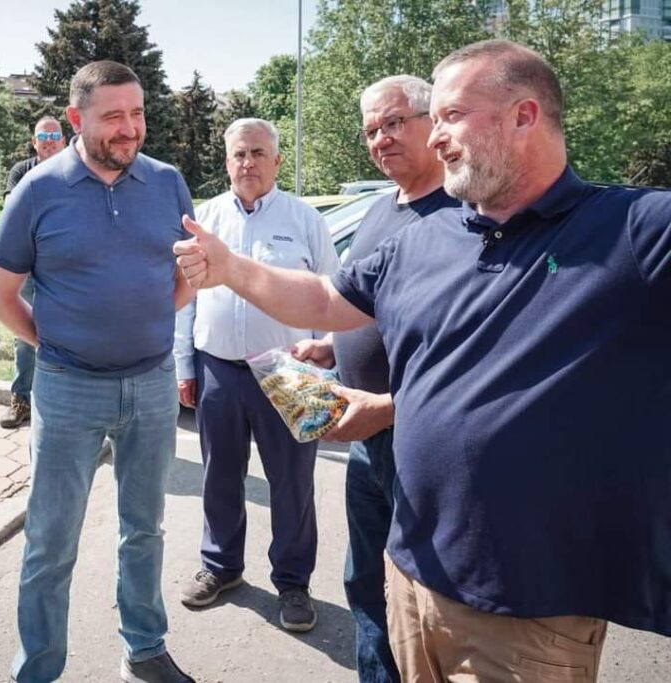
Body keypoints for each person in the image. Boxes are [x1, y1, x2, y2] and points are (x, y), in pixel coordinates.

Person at [175, 39, 671, 682]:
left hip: (525, 608)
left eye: (451, 116)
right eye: (431, 119)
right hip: (411, 576)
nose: (436, 137)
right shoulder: (429, 235)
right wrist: (230, 268)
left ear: (524, 115)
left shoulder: (634, 230)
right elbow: (325, 298)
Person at [0, 60, 196, 683]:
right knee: (50, 542)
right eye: (113, 116)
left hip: (152, 385)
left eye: (137, 113)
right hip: (67, 389)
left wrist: (150, 321)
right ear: (76, 119)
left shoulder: (168, 183)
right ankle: (38, 668)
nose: (129, 128)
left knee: (145, 529)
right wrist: (54, 346)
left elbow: (187, 274)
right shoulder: (37, 190)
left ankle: (145, 648)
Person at [292, 76, 457, 681]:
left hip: (424, 443)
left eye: (393, 123)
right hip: (367, 443)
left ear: (434, 122)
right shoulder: (383, 208)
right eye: (370, 130)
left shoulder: (463, 215)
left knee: (426, 596)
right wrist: (333, 349)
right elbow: (369, 304)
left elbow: (469, 354)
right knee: (365, 583)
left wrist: (388, 406)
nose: (381, 139)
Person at [173, 118, 338, 632]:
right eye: (239, 154)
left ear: (277, 161)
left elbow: (332, 294)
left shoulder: (304, 219)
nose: (248, 162)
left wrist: (329, 366)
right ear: (227, 162)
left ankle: (293, 583)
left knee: (292, 483)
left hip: (289, 372)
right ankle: (220, 566)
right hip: (218, 367)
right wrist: (184, 364)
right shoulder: (205, 219)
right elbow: (185, 298)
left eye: (258, 153)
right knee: (219, 475)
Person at [0, 116, 66, 429]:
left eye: (54, 136)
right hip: (26, 268)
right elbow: (14, 214)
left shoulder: (77, 171)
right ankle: (21, 400)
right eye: (43, 136)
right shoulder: (21, 172)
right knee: (25, 334)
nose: (49, 142)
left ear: (63, 140)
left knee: (68, 332)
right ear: (34, 142)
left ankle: (63, 405)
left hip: (65, 269)